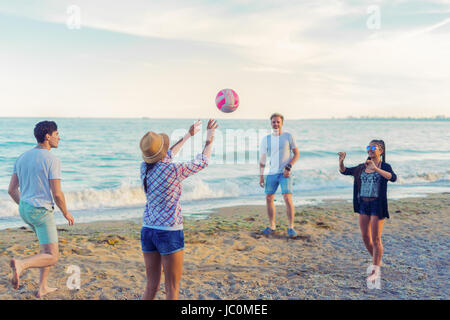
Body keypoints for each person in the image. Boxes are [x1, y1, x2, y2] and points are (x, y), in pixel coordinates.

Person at [139, 119, 218, 300]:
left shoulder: (144, 168)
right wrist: (209, 139)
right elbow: (203, 161)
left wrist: (188, 135)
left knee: (151, 286)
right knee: (172, 287)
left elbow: (166, 155)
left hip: (148, 230)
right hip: (169, 232)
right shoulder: (173, 170)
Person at [8, 120, 74, 298]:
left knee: (46, 248)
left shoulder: (22, 157)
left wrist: (25, 205)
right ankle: (21, 264)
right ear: (47, 136)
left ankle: (42, 287)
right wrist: (66, 212)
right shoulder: (52, 159)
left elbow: (11, 190)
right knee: (52, 256)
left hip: (25, 210)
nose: (59, 137)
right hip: (41, 212)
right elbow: (57, 194)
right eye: (56, 134)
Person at [338, 140, 397, 287]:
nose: (369, 150)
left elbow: (393, 177)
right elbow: (345, 171)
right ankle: (377, 259)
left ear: (381, 150)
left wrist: (375, 168)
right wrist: (341, 162)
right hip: (363, 204)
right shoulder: (362, 167)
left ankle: (375, 269)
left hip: (378, 204)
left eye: (373, 147)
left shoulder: (384, 166)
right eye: (368, 147)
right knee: (365, 237)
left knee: (376, 239)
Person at [259, 113, 299, 238]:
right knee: (269, 198)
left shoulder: (288, 136)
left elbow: (296, 154)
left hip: (284, 173)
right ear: (271, 123)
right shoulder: (266, 139)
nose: (275, 124)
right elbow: (263, 159)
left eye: (278, 122)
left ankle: (291, 227)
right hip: (271, 173)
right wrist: (261, 175)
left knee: (287, 197)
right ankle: (272, 226)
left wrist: (289, 166)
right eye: (273, 122)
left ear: (282, 123)